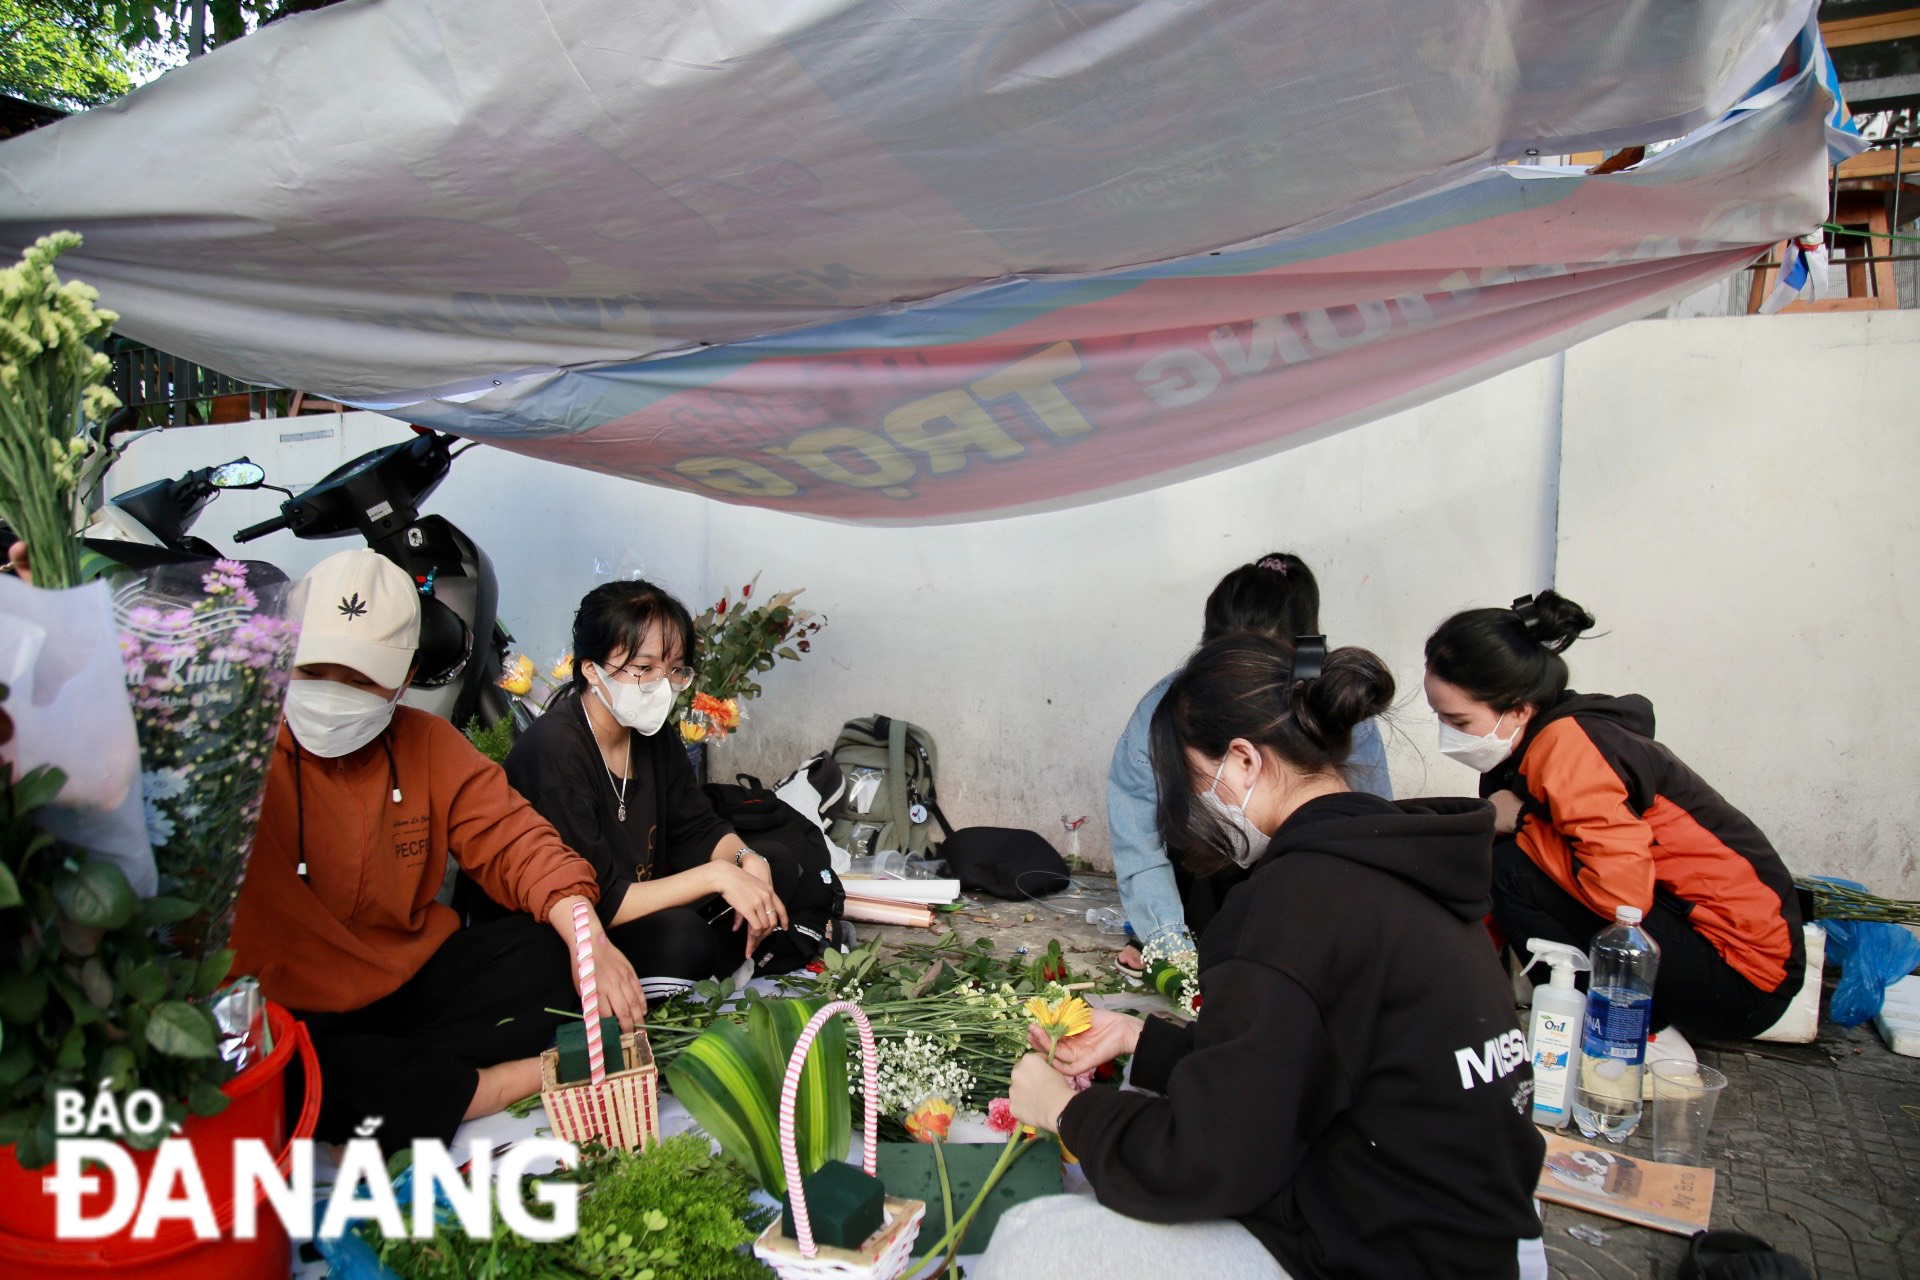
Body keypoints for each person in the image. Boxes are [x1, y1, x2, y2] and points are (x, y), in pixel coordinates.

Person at [988, 635, 1546, 1280]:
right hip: (1470, 1240)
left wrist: (1066, 1110)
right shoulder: (1410, 864)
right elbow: (1308, 1058)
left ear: (1244, 761)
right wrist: (1147, 1041)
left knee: (1035, 1238)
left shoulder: (1291, 906)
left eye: (1197, 783)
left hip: (1378, 1253)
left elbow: (1202, 1165)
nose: (1199, 807)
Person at [230, 550, 646, 1154]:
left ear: (403, 678)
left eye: (362, 678)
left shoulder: (426, 742)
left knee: (555, 957)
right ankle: (499, 1083)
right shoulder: (236, 754)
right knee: (296, 1070)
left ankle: (411, 1084)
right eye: (314, 670)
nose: (334, 693)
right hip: (290, 1010)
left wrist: (590, 943)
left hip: (409, 985)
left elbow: (515, 841)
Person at [1423, 590, 1804, 1042]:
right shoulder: (1528, 746)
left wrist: (1522, 821)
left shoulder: (1569, 748)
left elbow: (1621, 898)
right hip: (1698, 949)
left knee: (1512, 868)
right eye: (1440, 718)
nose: (1449, 735)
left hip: (1744, 978)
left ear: (1518, 709)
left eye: (1460, 722)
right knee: (1507, 857)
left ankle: (1630, 1035)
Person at [459, 579, 788, 1002]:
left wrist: (747, 859)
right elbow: (599, 902)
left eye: (675, 670)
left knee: (776, 864)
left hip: (636, 902)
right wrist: (718, 875)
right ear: (591, 669)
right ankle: (718, 962)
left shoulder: (649, 733)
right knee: (685, 939)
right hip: (568, 935)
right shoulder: (555, 754)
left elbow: (698, 826)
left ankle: (721, 960)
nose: (662, 685)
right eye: (644, 668)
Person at [1108, 552, 1392, 969]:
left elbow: (1373, 829)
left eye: (1259, 666)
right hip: (1208, 879)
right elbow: (1138, 832)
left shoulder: (1332, 703)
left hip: (1307, 881)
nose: (1242, 680)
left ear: (1302, 651)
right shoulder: (1167, 707)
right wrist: (1165, 937)